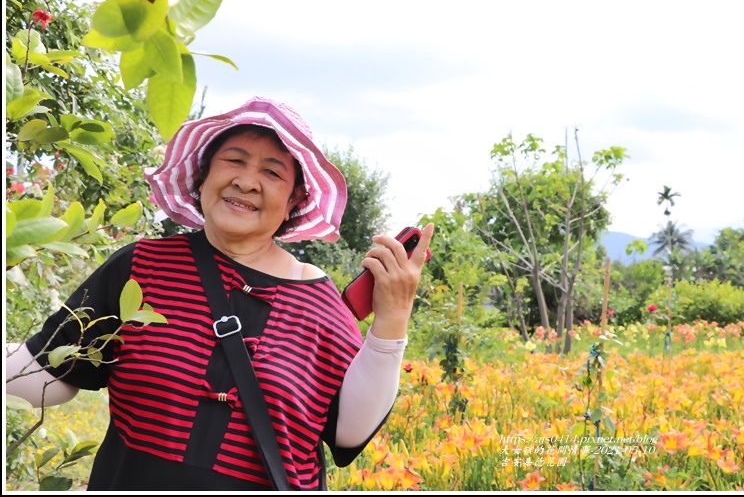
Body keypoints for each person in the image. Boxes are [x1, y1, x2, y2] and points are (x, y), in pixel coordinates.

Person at [5, 96, 435, 491]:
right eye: (234, 160)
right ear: (204, 174)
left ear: (294, 199)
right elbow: (50, 373)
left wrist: (392, 318)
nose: (247, 182)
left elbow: (348, 432)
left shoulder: (318, 303)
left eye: (272, 171)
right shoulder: (141, 267)